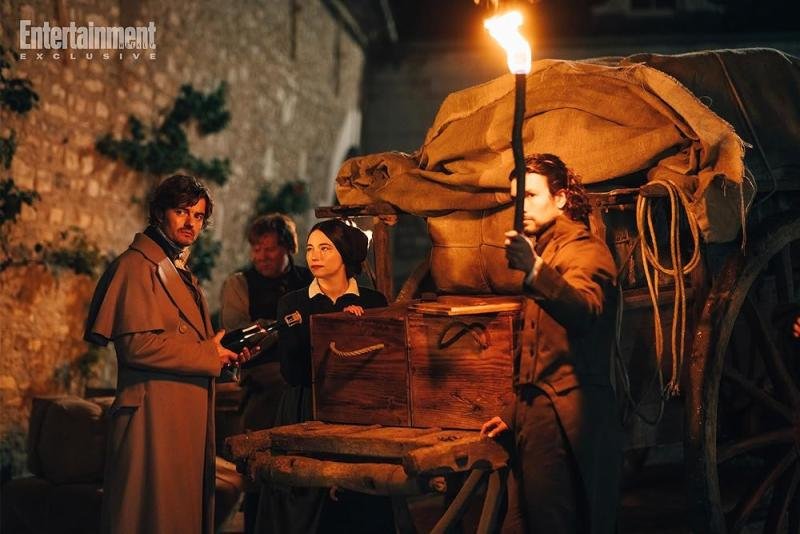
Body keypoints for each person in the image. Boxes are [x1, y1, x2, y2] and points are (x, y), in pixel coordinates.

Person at [84, 174, 249, 534]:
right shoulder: (136, 266)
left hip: (176, 415)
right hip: (153, 420)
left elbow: (186, 343)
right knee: (149, 519)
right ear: (160, 213)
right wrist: (208, 355)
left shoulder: (177, 269)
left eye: (199, 216)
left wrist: (222, 354)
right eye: (181, 212)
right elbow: (137, 346)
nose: (191, 222)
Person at [481, 154, 623, 534]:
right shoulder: (547, 251)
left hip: (568, 420)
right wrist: (514, 412)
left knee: (557, 522)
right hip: (535, 417)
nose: (521, 208)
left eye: (530, 195)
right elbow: (539, 349)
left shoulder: (586, 251)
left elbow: (584, 311)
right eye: (516, 200)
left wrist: (534, 270)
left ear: (560, 198)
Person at [259, 218, 392, 534]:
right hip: (307, 407)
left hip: (360, 414)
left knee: (362, 506)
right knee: (304, 508)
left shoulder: (373, 301)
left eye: (325, 248)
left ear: (344, 253)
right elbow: (292, 370)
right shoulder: (293, 303)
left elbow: (383, 362)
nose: (314, 256)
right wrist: (335, 329)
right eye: (309, 249)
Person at [219, 213, 311, 534]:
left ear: (287, 248)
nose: (261, 256)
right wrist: (282, 330)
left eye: (269, 249)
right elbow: (238, 333)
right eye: (256, 249)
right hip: (263, 378)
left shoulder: (308, 281)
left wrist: (274, 329)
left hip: (305, 376)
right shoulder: (240, 284)